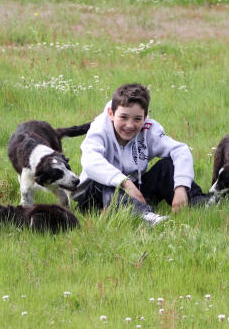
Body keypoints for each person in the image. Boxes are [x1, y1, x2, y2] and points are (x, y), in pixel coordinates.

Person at [73, 83, 209, 226]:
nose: (130, 125)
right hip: (95, 198)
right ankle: (145, 217)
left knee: (167, 165)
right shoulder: (99, 128)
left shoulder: (150, 129)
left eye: (137, 119)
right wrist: (124, 182)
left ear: (145, 116)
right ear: (111, 114)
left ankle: (196, 202)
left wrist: (181, 186)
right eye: (123, 117)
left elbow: (180, 150)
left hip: (135, 190)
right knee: (106, 183)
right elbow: (90, 162)